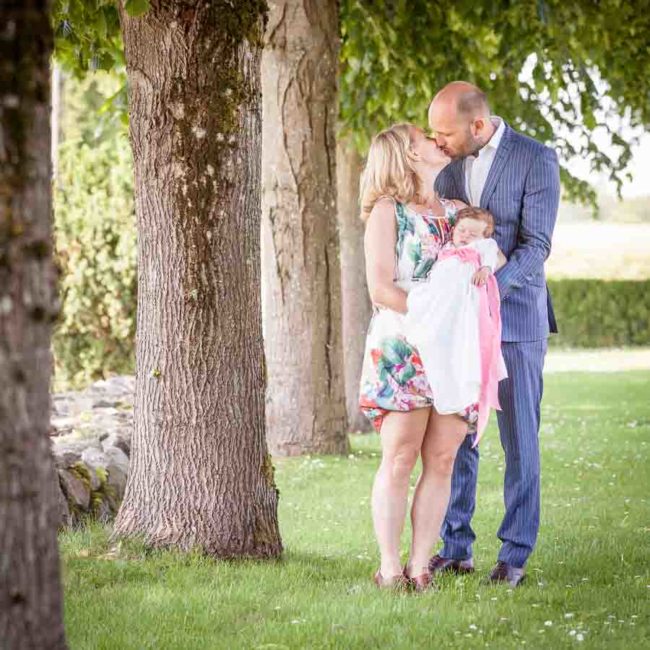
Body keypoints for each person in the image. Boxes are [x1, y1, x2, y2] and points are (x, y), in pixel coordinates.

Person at [428, 81, 560, 587]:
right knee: (458, 438)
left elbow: (536, 245)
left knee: (520, 439)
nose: (439, 142)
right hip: (460, 325)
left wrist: (492, 288)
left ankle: (515, 554)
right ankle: (455, 547)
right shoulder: (449, 167)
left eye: (447, 133)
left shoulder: (536, 158)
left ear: (478, 125)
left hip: (518, 321)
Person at [358, 122, 477, 592]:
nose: (437, 140)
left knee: (443, 457)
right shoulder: (387, 212)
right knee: (400, 456)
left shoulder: (457, 214)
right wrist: (436, 315)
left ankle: (421, 565)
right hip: (404, 348)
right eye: (425, 138)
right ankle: (389, 567)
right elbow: (381, 287)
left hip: (452, 353)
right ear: (408, 155)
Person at [405, 207, 508, 447]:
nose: (464, 236)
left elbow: (492, 254)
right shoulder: (448, 249)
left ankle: (456, 393)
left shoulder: (481, 248)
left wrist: (485, 268)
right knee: (422, 306)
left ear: (483, 236)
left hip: (461, 302)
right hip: (441, 296)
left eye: (472, 234)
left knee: (459, 345)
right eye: (461, 230)